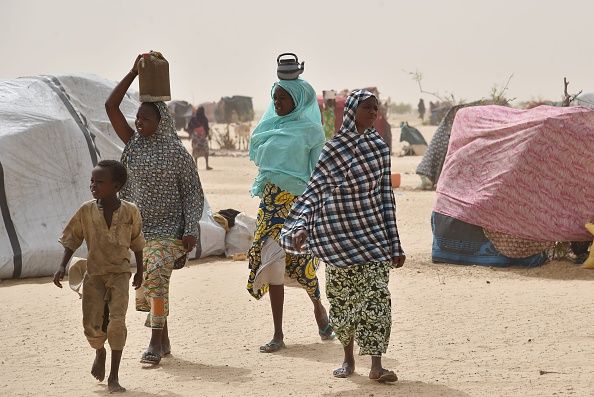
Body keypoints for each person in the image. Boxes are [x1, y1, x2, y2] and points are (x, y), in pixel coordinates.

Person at [280, 89, 406, 382]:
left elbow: (386, 196)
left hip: (373, 236)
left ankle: (376, 365)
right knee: (343, 301)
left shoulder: (379, 149)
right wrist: (300, 227)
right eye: (367, 108)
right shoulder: (333, 150)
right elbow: (315, 192)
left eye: (376, 108)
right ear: (352, 112)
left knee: (377, 298)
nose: (373, 113)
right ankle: (348, 360)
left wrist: (395, 243)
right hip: (338, 239)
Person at [105, 54, 204, 365]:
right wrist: (133, 72)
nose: (139, 122)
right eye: (138, 118)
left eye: (145, 118)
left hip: (170, 233)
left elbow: (192, 193)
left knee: (156, 274)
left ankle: (154, 341)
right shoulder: (133, 144)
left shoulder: (177, 153)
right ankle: (165, 338)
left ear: (161, 121)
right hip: (140, 233)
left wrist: (190, 230)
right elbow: (110, 106)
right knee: (153, 282)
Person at [247, 77, 334, 353]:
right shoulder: (269, 127)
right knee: (272, 263)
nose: (277, 102)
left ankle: (318, 308)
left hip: (298, 206)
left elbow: (318, 174)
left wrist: (316, 212)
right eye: (275, 97)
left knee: (304, 268)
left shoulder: (312, 131)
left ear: (297, 100)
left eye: (283, 98)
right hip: (270, 205)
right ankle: (277, 333)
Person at [53, 160, 145, 393]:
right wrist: (62, 266)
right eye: (92, 181)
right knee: (92, 326)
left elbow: (137, 243)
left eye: (99, 182)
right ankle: (99, 351)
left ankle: (114, 376)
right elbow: (72, 238)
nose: (93, 185)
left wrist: (140, 271)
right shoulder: (86, 211)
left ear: (116, 186)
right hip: (94, 275)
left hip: (120, 274)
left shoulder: (130, 211)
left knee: (117, 322)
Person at [186, 106, 213, 170]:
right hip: (202, 137)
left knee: (196, 150)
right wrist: (208, 136)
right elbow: (207, 129)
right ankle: (207, 165)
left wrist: (190, 135)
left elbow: (189, 127)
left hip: (195, 138)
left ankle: (196, 165)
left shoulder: (193, 119)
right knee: (205, 151)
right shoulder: (204, 119)